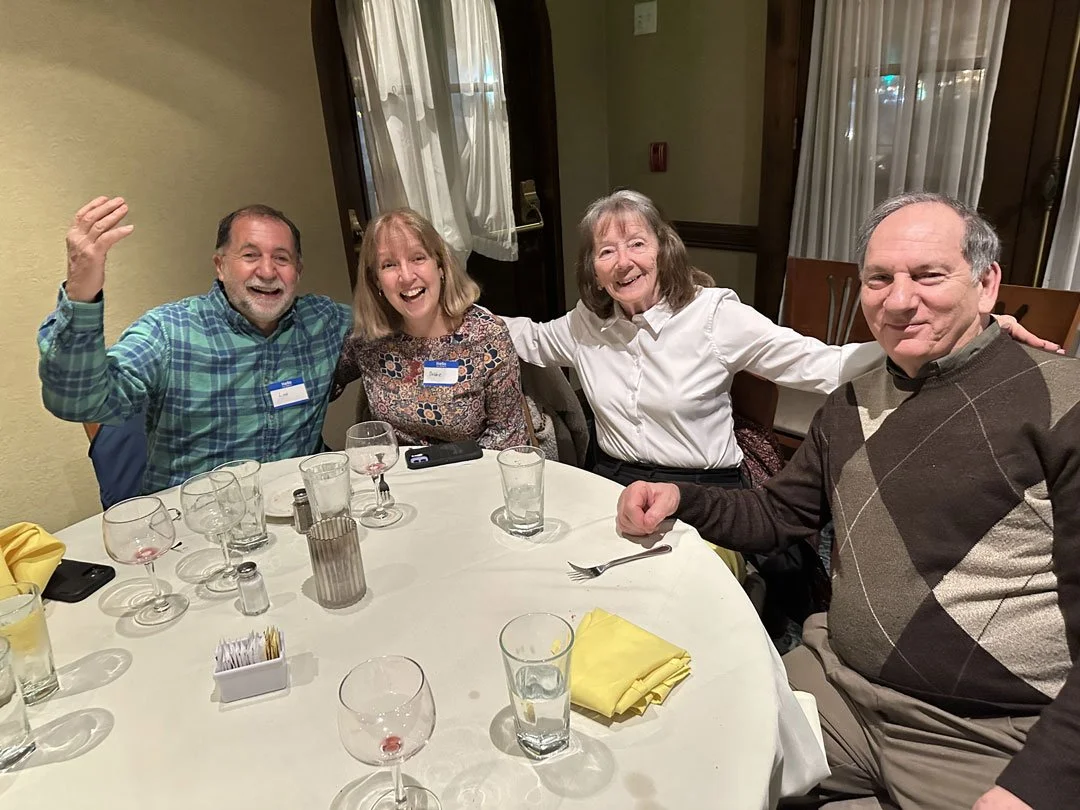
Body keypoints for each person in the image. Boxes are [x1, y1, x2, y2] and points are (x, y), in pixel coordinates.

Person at [616, 192, 1080, 810]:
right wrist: (680, 496)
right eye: (879, 279)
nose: (899, 299)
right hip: (838, 683)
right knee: (678, 767)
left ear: (987, 283)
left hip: (981, 732)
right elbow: (778, 516)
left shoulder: (1063, 405)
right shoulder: (850, 405)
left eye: (929, 275)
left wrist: (1036, 784)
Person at [506, 189, 1058, 490]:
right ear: (594, 269)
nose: (623, 261)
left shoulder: (714, 316)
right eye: (606, 251)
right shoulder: (585, 325)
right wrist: (437, 306)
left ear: (664, 249)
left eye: (636, 243)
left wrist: (960, 338)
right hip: (612, 479)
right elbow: (521, 338)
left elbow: (820, 365)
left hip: (702, 486)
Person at [38, 196, 352, 494]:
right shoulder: (168, 332)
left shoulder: (323, 322)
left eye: (281, 258)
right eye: (250, 255)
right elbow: (79, 401)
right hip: (196, 526)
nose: (267, 271)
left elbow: (388, 322)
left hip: (295, 513)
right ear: (220, 265)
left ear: (298, 271)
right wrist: (81, 293)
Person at [332, 208, 528, 450]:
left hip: (472, 474)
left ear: (440, 266)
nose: (406, 276)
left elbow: (508, 435)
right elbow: (323, 383)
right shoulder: (370, 339)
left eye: (417, 258)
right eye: (389, 264)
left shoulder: (487, 337)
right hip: (399, 476)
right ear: (376, 281)